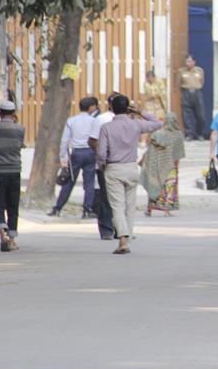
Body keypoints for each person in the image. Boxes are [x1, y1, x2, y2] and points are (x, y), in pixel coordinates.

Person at [96, 96, 163, 254]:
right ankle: (128, 238)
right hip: (131, 167)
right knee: (130, 206)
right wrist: (140, 112)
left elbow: (101, 152)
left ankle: (123, 239)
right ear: (128, 109)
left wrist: (102, 165)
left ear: (111, 108)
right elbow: (157, 123)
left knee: (117, 205)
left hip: (114, 168)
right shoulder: (136, 124)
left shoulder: (106, 128)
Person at [49, 96, 99, 218]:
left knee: (69, 181)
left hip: (76, 153)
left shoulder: (71, 121)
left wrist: (63, 158)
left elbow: (64, 141)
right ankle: (87, 209)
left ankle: (58, 208)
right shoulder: (94, 121)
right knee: (89, 182)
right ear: (90, 108)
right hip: (90, 152)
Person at [0, 101, 25, 252]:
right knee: (13, 205)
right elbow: (20, 144)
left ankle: (2, 233)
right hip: (14, 171)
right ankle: (12, 240)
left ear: (0, 112)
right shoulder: (20, 129)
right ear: (13, 113)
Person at [141, 113, 186, 217]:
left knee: (154, 185)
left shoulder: (157, 134)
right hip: (170, 166)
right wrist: (176, 167)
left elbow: (150, 150)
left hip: (156, 165)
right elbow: (177, 154)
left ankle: (150, 209)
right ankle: (167, 209)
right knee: (168, 186)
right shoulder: (177, 135)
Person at [89, 93, 120, 239]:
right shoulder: (101, 119)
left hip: (122, 163)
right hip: (105, 164)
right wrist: (103, 153)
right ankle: (107, 229)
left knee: (121, 199)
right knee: (106, 197)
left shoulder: (128, 120)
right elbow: (92, 140)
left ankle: (121, 229)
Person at [179, 54, 206, 141]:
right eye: (187, 61)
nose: (188, 63)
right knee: (186, 115)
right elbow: (178, 83)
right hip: (186, 93)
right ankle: (189, 134)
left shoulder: (199, 70)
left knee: (201, 116)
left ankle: (199, 134)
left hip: (197, 93)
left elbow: (202, 82)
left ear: (194, 62)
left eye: (190, 61)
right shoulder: (181, 71)